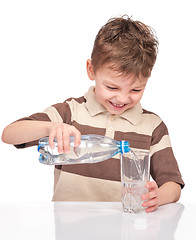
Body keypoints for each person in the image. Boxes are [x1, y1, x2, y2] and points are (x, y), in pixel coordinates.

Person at [1, 15, 184, 213]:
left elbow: (172, 183)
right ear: (91, 70)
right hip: (70, 228)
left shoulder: (152, 126)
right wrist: (50, 127)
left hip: (126, 229)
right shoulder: (71, 112)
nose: (122, 99)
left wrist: (158, 197)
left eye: (135, 90)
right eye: (112, 87)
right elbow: (10, 134)